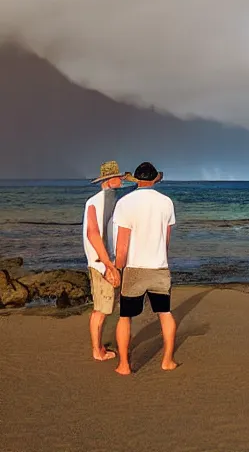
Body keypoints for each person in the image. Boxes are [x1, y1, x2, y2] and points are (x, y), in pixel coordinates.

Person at [113, 161, 178, 375]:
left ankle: (124, 365)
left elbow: (122, 245)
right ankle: (167, 360)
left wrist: (116, 268)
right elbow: (166, 239)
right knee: (165, 313)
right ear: (154, 179)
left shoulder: (125, 202)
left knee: (125, 317)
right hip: (159, 266)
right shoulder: (166, 202)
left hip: (135, 267)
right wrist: (162, 260)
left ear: (137, 179)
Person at [83, 161, 128, 361]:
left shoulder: (110, 197)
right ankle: (97, 351)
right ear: (110, 180)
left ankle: (98, 347)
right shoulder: (97, 200)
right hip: (100, 263)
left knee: (104, 308)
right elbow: (92, 234)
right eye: (119, 177)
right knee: (101, 310)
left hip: (103, 262)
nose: (121, 180)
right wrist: (109, 266)